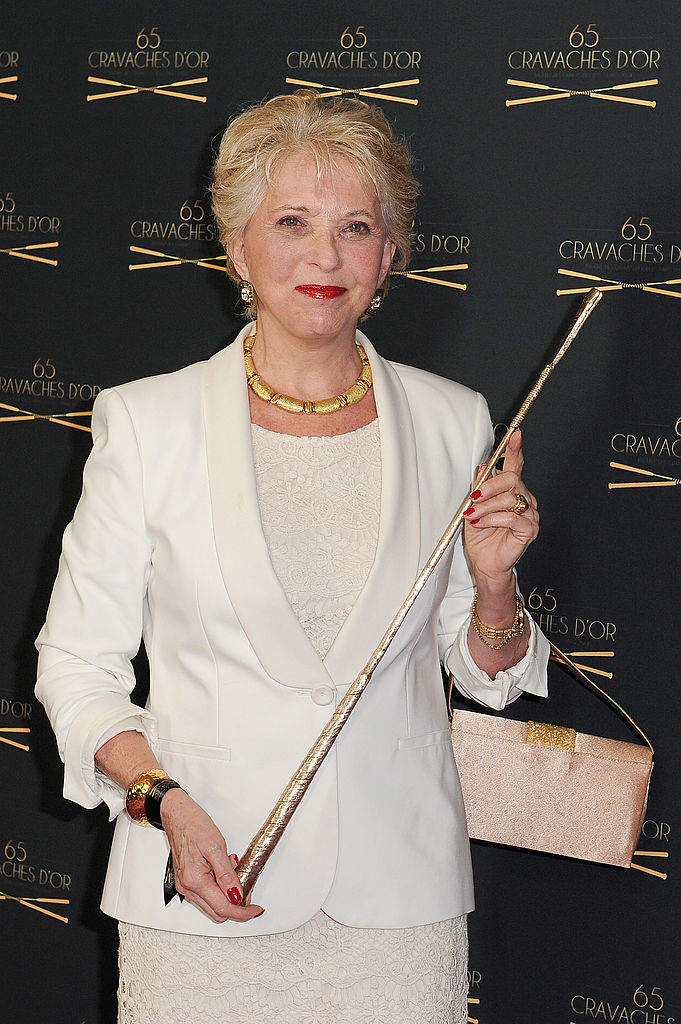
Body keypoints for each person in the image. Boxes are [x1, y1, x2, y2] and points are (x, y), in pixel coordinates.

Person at [35, 91, 549, 1024]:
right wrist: (163, 804)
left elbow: (488, 676)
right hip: (204, 882)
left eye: (356, 226)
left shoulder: (452, 420)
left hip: (395, 908)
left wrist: (493, 585)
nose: (324, 255)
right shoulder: (146, 422)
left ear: (388, 256)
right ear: (235, 248)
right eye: (291, 223)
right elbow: (76, 663)